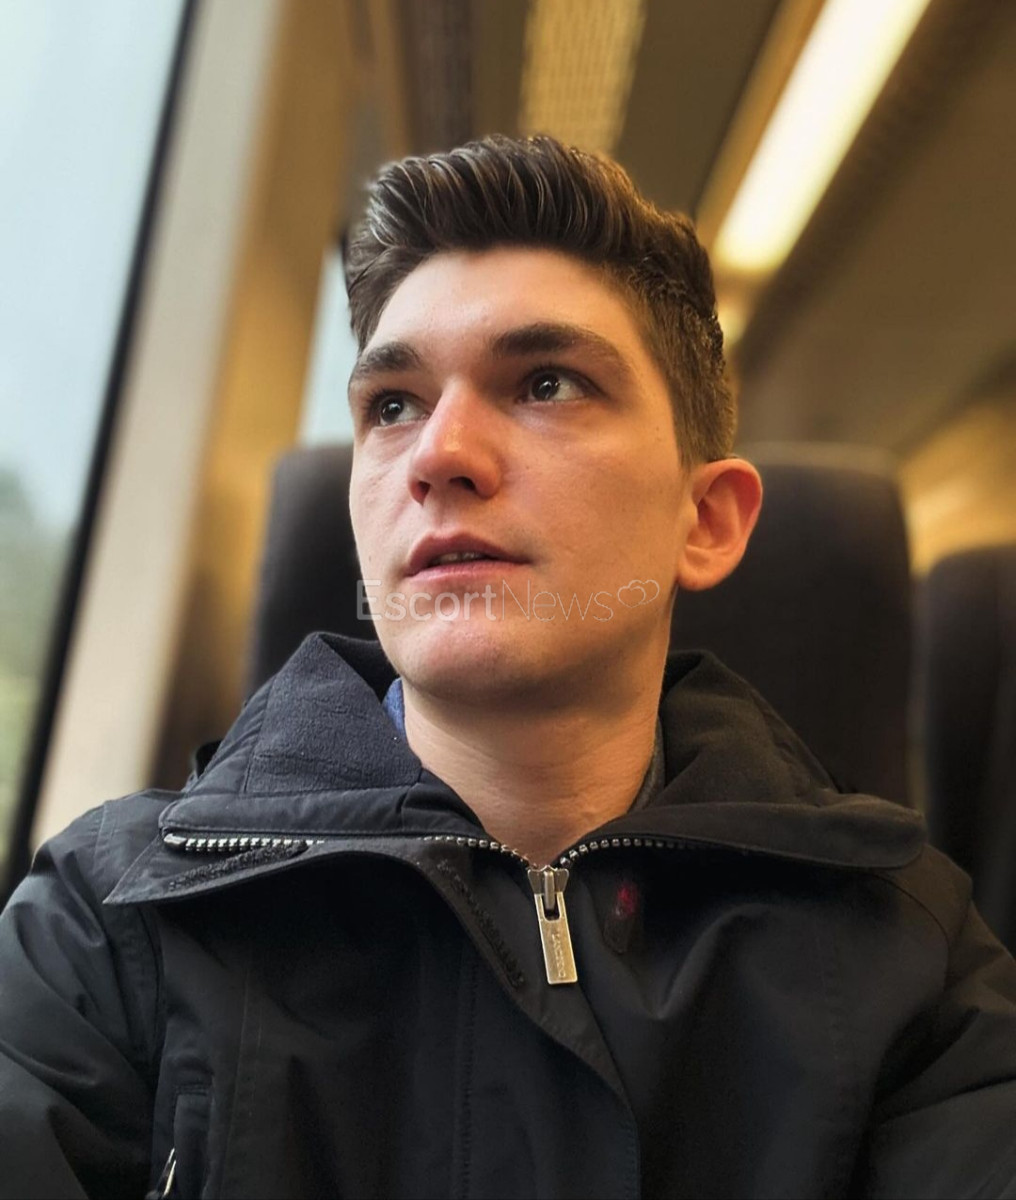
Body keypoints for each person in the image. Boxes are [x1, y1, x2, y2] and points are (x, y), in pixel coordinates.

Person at [2, 134, 1015, 1200]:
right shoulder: (112, 921)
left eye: (545, 383)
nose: (437, 455)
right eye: (392, 405)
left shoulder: (907, 951)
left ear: (706, 520)